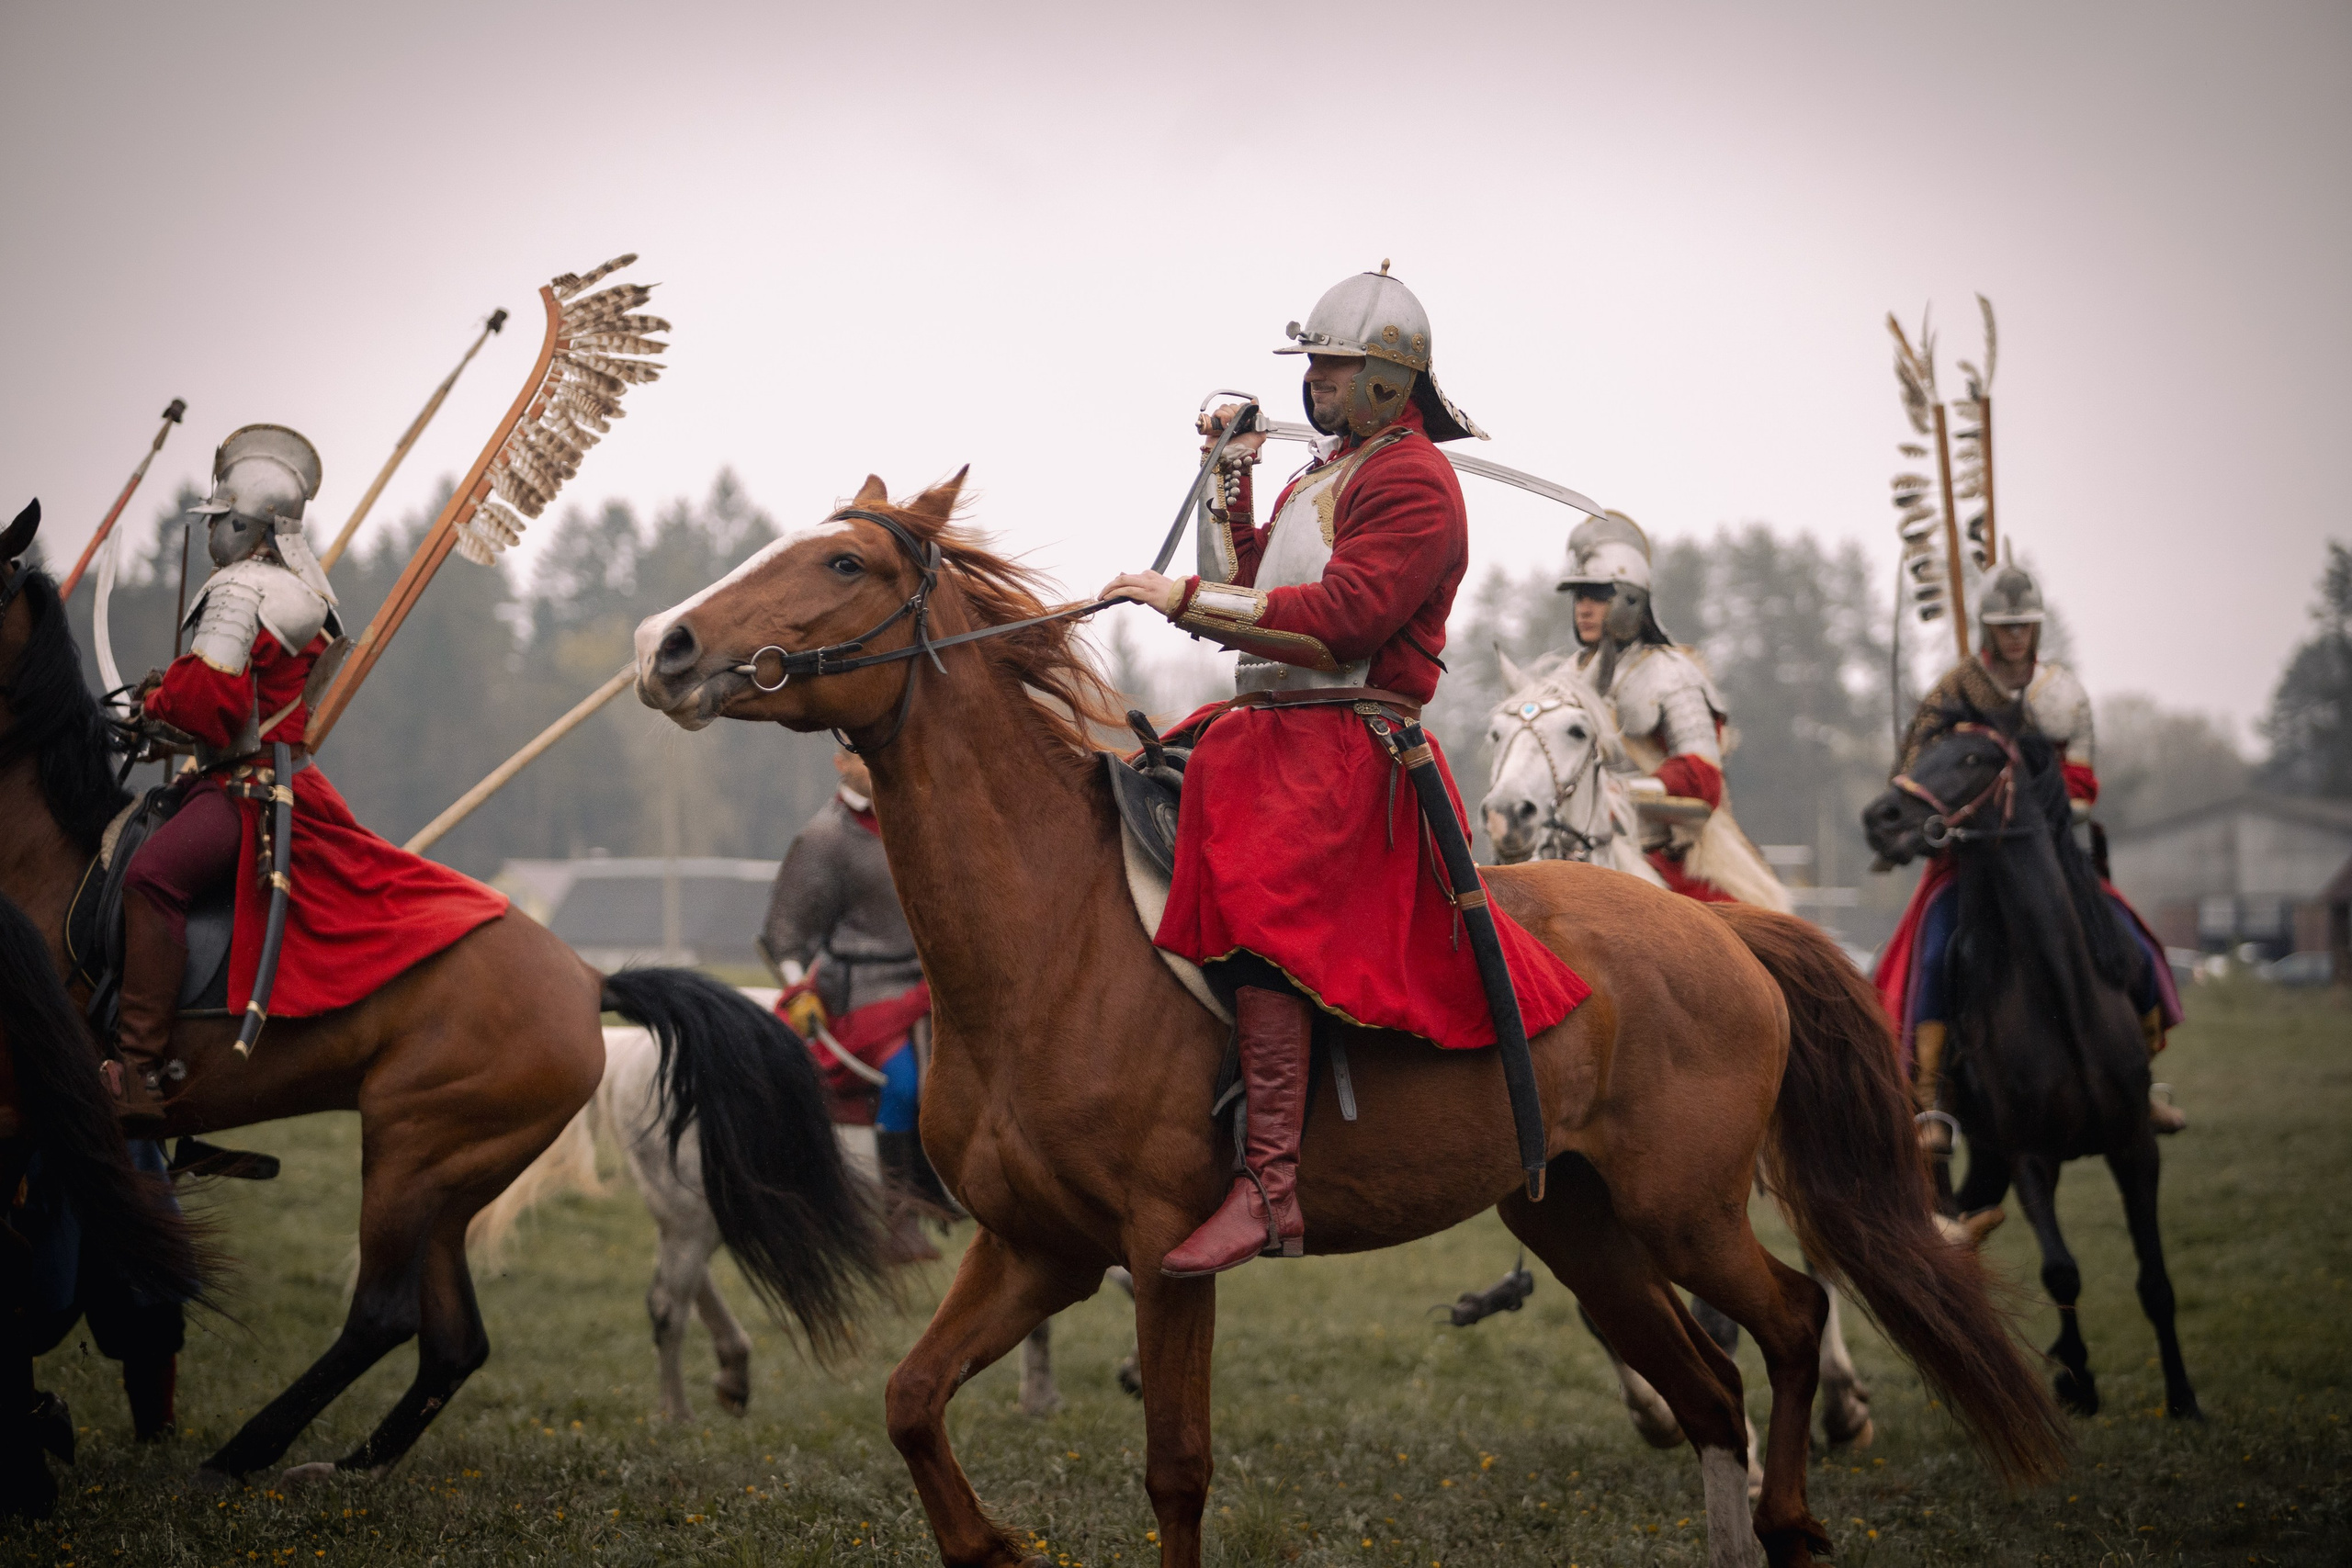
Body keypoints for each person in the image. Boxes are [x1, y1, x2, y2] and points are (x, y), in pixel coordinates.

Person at [1102, 265, 1589, 1278]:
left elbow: (1342, 623)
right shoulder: (1321, 475)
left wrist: (1178, 597)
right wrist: (1228, 478)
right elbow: (1247, 582)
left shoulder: (1414, 480)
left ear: (1385, 377)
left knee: (1258, 892)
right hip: (1264, 728)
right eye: (1311, 365)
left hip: (1344, 742)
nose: (1312, 383)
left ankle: (1269, 1186)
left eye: (1330, 366)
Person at [115, 424, 510, 1127]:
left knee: (150, 877)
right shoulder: (300, 590)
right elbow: (239, 702)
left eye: (220, 522)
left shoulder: (241, 589)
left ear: (247, 524)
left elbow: (211, 704)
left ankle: (139, 1064)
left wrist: (154, 703)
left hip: (242, 793)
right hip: (275, 781)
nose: (213, 537)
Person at [1875, 562, 2187, 1154]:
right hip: (1970, 866)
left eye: (2024, 626)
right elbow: (1919, 773)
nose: (2015, 636)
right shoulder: (1955, 692)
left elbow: (2083, 782)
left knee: (2135, 948)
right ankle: (1934, 1098)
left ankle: (2138, 1083)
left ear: (2036, 629)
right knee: (1938, 954)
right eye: (2004, 626)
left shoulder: (2062, 694)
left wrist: (2046, 812)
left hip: (2054, 859)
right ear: (1988, 630)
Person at [761, 748, 943, 1263]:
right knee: (904, 1082)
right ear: (841, 762)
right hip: (862, 991)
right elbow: (784, 934)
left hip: (928, 983)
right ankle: (899, 1217)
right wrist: (798, 994)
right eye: (861, 755)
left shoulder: (915, 814)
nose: (873, 762)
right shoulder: (824, 838)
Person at [1557, 512, 1779, 905]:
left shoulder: (1670, 672)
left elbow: (1701, 777)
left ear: (1630, 599)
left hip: (1665, 852)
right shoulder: (1564, 677)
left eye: (1597, 596)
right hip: (1572, 845)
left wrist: (1617, 792)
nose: (1583, 608)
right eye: (1579, 596)